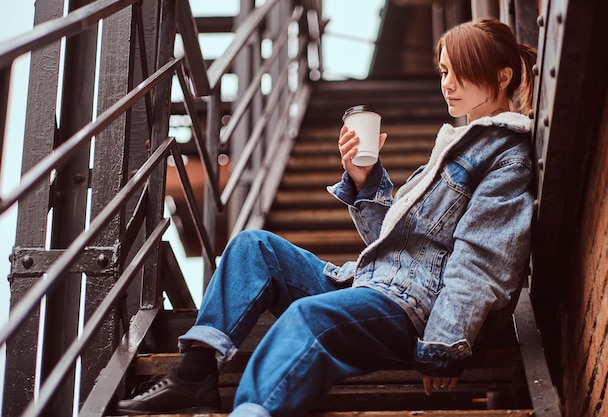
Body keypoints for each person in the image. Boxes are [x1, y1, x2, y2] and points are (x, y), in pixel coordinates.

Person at [113, 17, 538, 417]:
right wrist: (365, 180)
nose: (447, 84)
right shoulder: (457, 144)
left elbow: (482, 259)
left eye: (458, 71)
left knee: (308, 318)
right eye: (443, 72)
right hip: (374, 284)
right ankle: (196, 374)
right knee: (251, 247)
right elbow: (396, 244)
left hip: (414, 308)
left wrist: (445, 340)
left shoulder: (505, 156)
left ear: (502, 76)